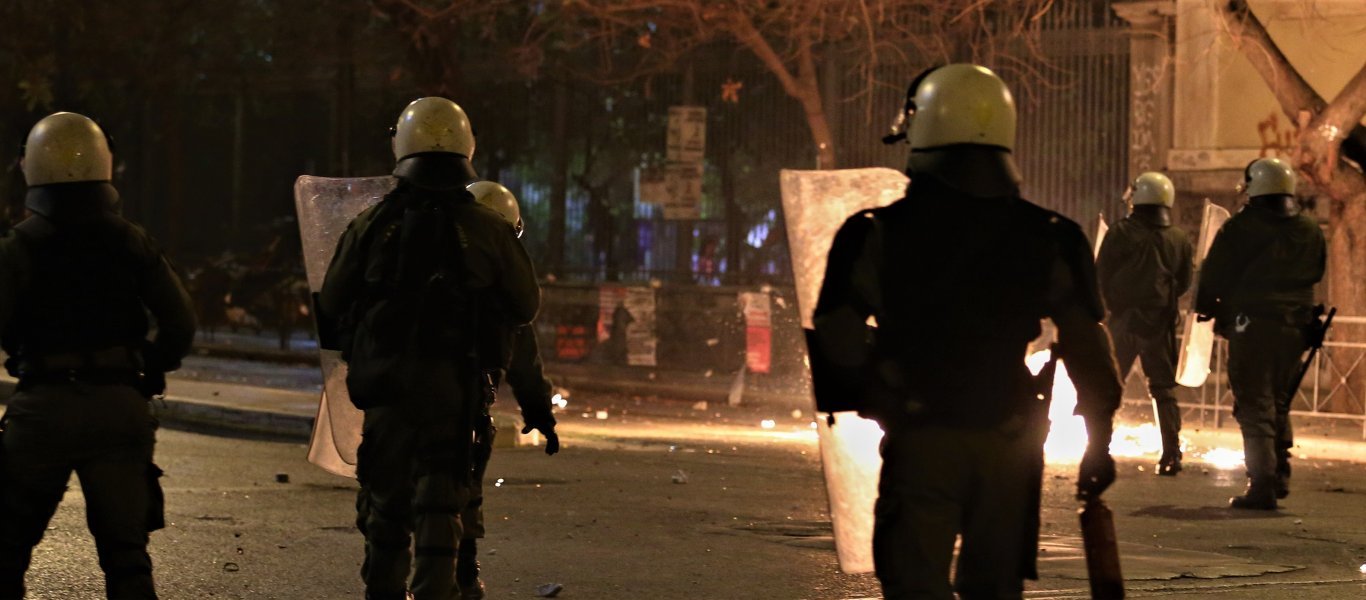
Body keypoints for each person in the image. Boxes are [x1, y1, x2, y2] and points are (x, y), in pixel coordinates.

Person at [812, 64, 1122, 599]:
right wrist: (1098, 444)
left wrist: (883, 384)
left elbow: (837, 335)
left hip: (921, 435)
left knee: (915, 585)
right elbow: (1087, 347)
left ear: (920, 128)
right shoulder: (1052, 236)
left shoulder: (875, 233)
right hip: (1009, 441)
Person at [317, 97, 542, 600]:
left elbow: (330, 303)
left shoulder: (372, 225)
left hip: (387, 392)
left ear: (401, 146)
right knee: (441, 511)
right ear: (467, 147)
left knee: (386, 513)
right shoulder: (489, 228)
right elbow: (525, 305)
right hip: (453, 392)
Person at [0, 112, 196, 599]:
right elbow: (180, 323)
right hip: (119, 406)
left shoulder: (17, 248)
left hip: (42, 409)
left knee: (6, 550)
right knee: (127, 557)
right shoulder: (131, 240)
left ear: (32, 169)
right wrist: (147, 367)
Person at [1195, 157, 1325, 510]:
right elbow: (1316, 272)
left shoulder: (1240, 228)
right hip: (1296, 328)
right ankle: (1280, 474)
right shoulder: (1310, 229)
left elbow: (1213, 276)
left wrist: (1207, 308)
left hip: (1251, 327)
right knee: (1279, 400)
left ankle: (1262, 483)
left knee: (1254, 404)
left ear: (1255, 187)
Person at [458, 180, 560, 600]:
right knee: (464, 484)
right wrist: (539, 413)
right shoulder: (506, 294)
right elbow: (525, 362)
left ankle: (389, 580)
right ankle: (464, 572)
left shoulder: (420, 259)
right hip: (464, 400)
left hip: (410, 393)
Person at [1095, 172, 1193, 475]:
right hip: (1159, 323)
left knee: (1108, 385)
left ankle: (1098, 449)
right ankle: (1171, 455)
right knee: (1163, 389)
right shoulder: (1179, 238)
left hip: (1123, 322)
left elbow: (1100, 275)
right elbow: (1185, 281)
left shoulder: (1120, 233)